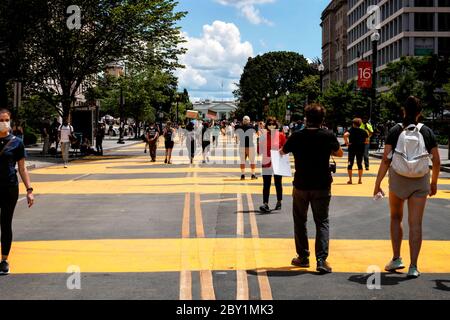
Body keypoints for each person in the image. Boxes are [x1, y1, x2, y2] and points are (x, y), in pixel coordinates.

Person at [373, 96, 440, 279]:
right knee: (415, 223)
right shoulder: (426, 132)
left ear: (403, 111)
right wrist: (433, 182)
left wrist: (377, 183)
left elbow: (386, 160)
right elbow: (437, 161)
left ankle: (396, 258)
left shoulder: (395, 131)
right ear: (420, 113)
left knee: (396, 217)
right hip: (420, 180)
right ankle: (413, 266)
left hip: (398, 179)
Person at [280, 104, 343, 274]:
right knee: (322, 221)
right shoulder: (327, 135)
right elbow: (339, 154)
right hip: (322, 184)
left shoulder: (297, 136)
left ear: (306, 119)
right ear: (322, 119)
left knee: (300, 220)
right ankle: (321, 260)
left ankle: (303, 256)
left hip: (301, 184)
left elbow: (282, 152)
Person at [0, 109, 34, 275]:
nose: (4, 122)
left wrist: (29, 190)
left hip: (9, 187)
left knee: (5, 224)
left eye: (6, 119)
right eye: (1, 120)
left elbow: (22, 168)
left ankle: (4, 260)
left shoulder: (16, 142)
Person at [259, 117, 286, 213]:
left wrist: (280, 151)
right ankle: (265, 203)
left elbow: (285, 147)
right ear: (266, 125)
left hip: (277, 161)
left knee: (278, 183)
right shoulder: (263, 135)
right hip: (266, 162)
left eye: (273, 124)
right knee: (266, 184)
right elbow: (259, 150)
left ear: (276, 125)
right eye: (269, 124)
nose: (271, 125)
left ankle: (279, 201)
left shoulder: (281, 135)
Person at [344, 118, 368, 185]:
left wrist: (347, 143)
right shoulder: (364, 131)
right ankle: (360, 180)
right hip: (360, 149)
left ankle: (350, 180)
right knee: (359, 164)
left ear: (354, 124)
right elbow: (366, 141)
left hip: (352, 149)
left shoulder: (351, 130)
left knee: (350, 164)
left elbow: (345, 135)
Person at [236, 116, 258, 180]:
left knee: (242, 161)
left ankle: (242, 175)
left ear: (243, 121)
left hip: (242, 145)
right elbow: (256, 135)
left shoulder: (239, 128)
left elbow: (238, 137)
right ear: (249, 121)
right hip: (250, 146)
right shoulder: (252, 127)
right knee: (252, 161)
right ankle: (253, 175)